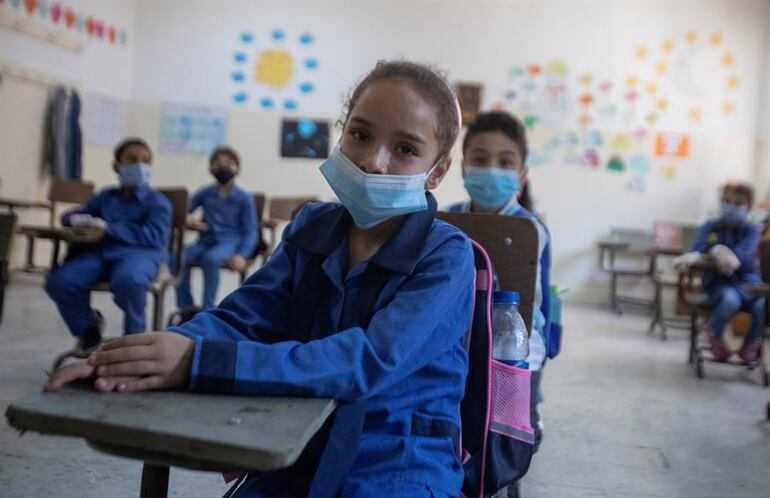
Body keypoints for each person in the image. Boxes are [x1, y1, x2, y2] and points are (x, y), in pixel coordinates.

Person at [46, 60, 475, 498]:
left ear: (437, 171)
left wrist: (200, 362)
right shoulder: (313, 228)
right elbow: (242, 317)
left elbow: (369, 360)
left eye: (405, 149)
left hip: (396, 460)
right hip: (295, 443)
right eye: (361, 135)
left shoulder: (446, 255)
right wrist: (147, 355)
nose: (372, 162)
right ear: (341, 133)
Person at [44, 137, 171, 352]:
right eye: (131, 159)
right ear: (116, 166)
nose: (140, 165)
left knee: (130, 281)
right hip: (101, 253)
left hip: (140, 254)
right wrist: (74, 218)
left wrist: (109, 228)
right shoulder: (105, 197)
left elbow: (155, 237)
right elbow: (77, 214)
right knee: (59, 282)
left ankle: (134, 346)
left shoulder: (158, 202)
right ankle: (88, 329)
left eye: (146, 160)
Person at [175, 146, 258, 311]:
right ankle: (187, 308)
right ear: (210, 168)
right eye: (217, 163)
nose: (223, 167)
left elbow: (250, 230)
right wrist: (188, 219)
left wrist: (242, 254)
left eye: (229, 163)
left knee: (211, 259)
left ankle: (208, 308)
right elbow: (185, 210)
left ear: (238, 168)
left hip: (230, 241)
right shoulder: (206, 193)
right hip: (207, 239)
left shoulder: (244, 198)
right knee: (177, 257)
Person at [693, 182, 765, 362]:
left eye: (738, 203)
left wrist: (724, 254)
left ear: (748, 207)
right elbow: (699, 247)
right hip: (719, 283)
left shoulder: (752, 230)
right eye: (727, 201)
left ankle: (749, 345)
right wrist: (714, 250)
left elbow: (743, 256)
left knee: (761, 305)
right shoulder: (711, 225)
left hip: (748, 283)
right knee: (731, 301)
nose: (731, 206)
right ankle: (714, 333)